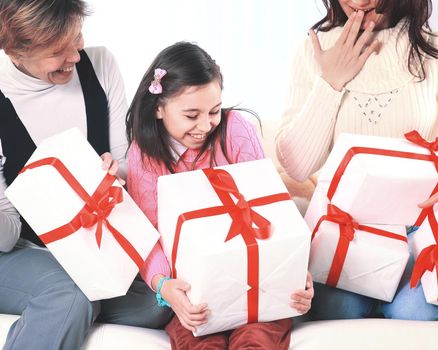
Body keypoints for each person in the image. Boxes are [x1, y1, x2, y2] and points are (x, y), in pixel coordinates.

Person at [0, 1, 172, 349]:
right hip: (17, 248)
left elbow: (126, 162)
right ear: (15, 51)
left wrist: (117, 172)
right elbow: (7, 235)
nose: (75, 56)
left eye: (77, 36)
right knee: (71, 294)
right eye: (57, 51)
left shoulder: (101, 64)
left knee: (155, 306)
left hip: (92, 248)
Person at [126, 41, 314, 349]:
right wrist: (164, 286)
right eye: (191, 115)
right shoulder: (144, 154)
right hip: (193, 289)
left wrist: (294, 271)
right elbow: (147, 233)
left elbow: (272, 208)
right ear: (158, 108)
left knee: (255, 342)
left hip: (260, 282)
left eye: (213, 111)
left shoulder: (235, 130)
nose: (205, 125)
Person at [276, 0, 438, 321]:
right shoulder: (313, 51)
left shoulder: (432, 52)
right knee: (339, 310)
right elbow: (297, 166)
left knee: (415, 314)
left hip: (415, 234)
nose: (359, 2)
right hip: (344, 237)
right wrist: (331, 82)